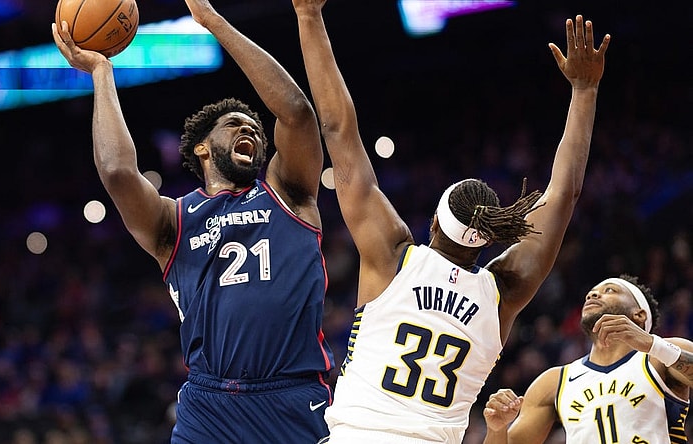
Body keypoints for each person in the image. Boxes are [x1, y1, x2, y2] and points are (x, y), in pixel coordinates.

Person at [292, 1, 609, 442]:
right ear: (488, 237)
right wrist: (585, 92)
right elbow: (563, 193)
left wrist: (308, 16)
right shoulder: (503, 291)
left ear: (435, 224)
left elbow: (338, 129)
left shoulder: (394, 257)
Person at [51, 0, 336, 442]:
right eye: (235, 124)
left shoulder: (289, 193)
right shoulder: (174, 221)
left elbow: (297, 113)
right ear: (202, 148)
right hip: (210, 407)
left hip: (292, 398)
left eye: (255, 128)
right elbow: (117, 171)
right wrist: (102, 73)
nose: (250, 129)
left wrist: (212, 21)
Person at [483, 274, 693, 444]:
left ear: (639, 314)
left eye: (609, 290)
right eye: (591, 292)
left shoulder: (662, 355)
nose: (593, 294)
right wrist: (497, 428)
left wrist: (652, 344)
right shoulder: (554, 381)